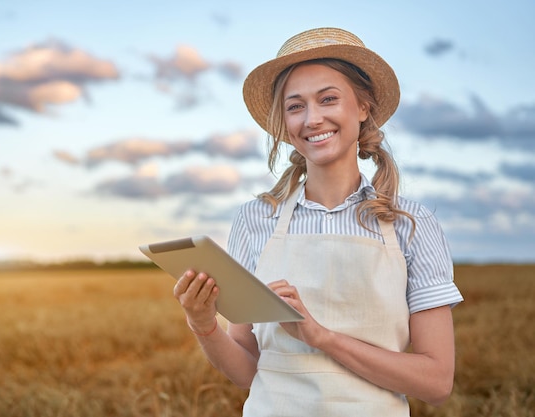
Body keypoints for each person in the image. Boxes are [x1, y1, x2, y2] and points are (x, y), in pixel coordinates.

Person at [172, 27, 463, 416]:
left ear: (363, 108)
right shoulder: (256, 219)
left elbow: (436, 381)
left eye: (328, 99)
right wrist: (203, 323)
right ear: (285, 124)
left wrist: (321, 337)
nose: (312, 119)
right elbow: (246, 370)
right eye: (295, 106)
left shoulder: (412, 224)